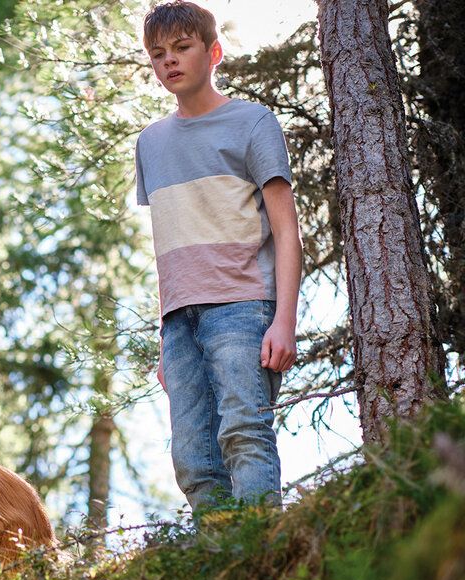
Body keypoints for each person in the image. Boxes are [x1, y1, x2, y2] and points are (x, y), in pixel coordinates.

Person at [134, 1, 302, 514]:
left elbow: (287, 230)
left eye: (183, 48)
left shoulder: (252, 122)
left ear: (214, 52)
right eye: (158, 54)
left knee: (244, 433)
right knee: (192, 459)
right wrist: (164, 336)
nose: (170, 61)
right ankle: (222, 564)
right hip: (178, 321)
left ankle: (261, 557)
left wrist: (285, 321)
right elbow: (168, 242)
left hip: (243, 306)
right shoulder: (150, 143)